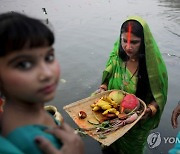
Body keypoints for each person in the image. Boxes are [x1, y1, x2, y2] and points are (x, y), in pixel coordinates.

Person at [0, 12, 84, 154]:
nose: (47, 73)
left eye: (49, 57)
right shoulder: (29, 144)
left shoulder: (36, 112)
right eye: (24, 64)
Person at [94, 16, 168, 154]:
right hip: (113, 118)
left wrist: (150, 109)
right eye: (124, 41)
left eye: (134, 42)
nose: (127, 47)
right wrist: (103, 88)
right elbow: (107, 78)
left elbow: (160, 96)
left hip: (137, 121)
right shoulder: (116, 56)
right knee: (110, 146)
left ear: (144, 42)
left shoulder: (153, 67)